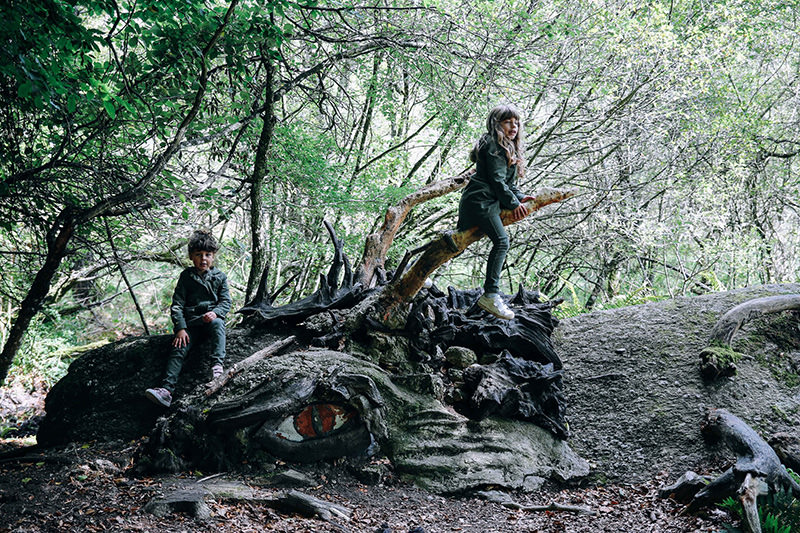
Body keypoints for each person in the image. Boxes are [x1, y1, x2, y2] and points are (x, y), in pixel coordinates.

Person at [457, 104, 533, 320]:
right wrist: (512, 203)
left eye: (516, 122)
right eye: (508, 121)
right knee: (501, 241)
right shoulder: (492, 144)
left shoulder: (507, 146)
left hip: (486, 201)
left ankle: (419, 271)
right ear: (496, 124)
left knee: (458, 242)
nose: (514, 126)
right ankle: (490, 295)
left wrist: (520, 198)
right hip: (480, 201)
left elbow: (509, 183)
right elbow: (496, 181)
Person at [145, 230, 232, 407]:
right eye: (199, 255)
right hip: (191, 324)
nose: (203, 259)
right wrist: (181, 328)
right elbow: (177, 304)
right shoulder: (186, 276)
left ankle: (217, 369)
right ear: (191, 256)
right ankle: (167, 390)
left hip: (211, 321)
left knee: (218, 324)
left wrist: (215, 312)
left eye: (208, 255)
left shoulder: (220, 277)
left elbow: (226, 301)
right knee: (179, 348)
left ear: (213, 256)